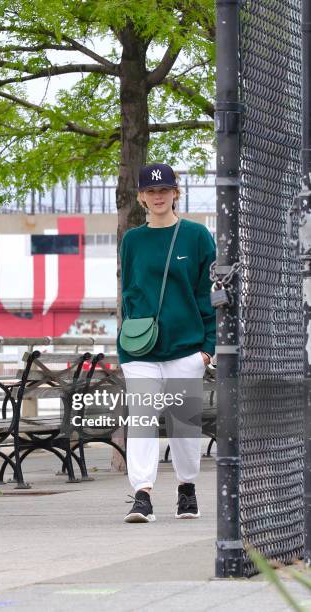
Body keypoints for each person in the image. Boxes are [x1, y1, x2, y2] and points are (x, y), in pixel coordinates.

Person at [118, 162, 215, 523]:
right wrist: (125, 342)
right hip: (140, 350)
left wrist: (208, 346)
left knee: (183, 425)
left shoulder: (197, 236)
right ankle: (142, 495)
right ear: (142, 197)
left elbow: (210, 294)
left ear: (176, 193)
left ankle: (186, 488)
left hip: (187, 348)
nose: (158, 196)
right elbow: (128, 292)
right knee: (142, 419)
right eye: (151, 191)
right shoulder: (132, 240)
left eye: (165, 190)